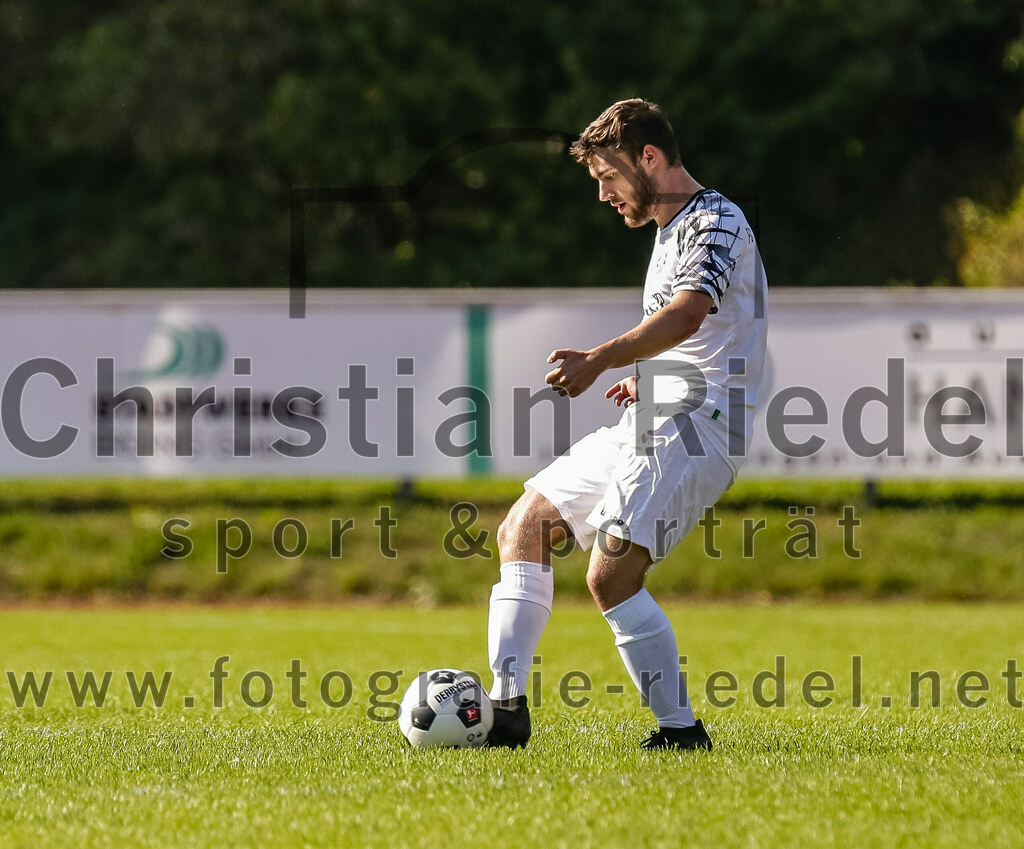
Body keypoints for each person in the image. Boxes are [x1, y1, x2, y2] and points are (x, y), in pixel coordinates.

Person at [485, 98, 768, 750]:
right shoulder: (670, 231)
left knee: (610, 576)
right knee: (524, 525)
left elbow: (691, 314)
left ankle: (680, 730)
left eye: (609, 177)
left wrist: (606, 355)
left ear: (649, 157)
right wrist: (646, 377)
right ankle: (505, 712)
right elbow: (702, 335)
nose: (605, 194)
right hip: (656, 416)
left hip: (699, 424)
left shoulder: (716, 221)